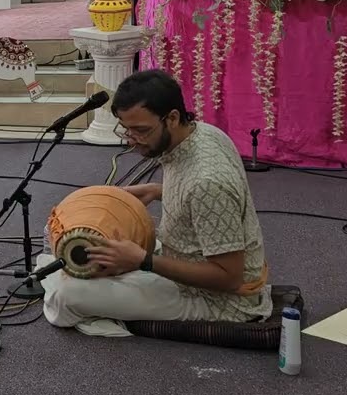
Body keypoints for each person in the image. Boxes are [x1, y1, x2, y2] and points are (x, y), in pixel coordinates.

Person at [41, 70, 272, 336]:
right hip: (182, 252)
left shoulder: (208, 181)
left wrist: (144, 261)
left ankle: (114, 307)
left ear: (172, 118)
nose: (131, 139)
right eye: (126, 128)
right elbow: (197, 195)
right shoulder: (202, 133)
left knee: (65, 296)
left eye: (141, 130)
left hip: (218, 301)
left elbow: (229, 278)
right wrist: (157, 190)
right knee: (59, 240)